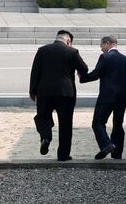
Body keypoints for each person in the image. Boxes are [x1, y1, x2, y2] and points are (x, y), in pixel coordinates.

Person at [29, 30, 88, 161]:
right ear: (68, 41)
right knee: (65, 124)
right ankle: (63, 155)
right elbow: (84, 68)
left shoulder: (42, 50)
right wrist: (79, 73)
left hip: (44, 92)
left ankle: (45, 136)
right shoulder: (72, 52)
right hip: (66, 93)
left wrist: (32, 91)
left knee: (42, 116)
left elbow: (35, 71)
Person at [80, 35, 126, 159]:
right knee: (118, 125)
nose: (101, 48)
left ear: (107, 43)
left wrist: (83, 78)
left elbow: (96, 74)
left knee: (98, 122)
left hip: (107, 96)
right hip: (122, 98)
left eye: (101, 45)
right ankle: (117, 153)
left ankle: (106, 144)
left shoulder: (105, 57)